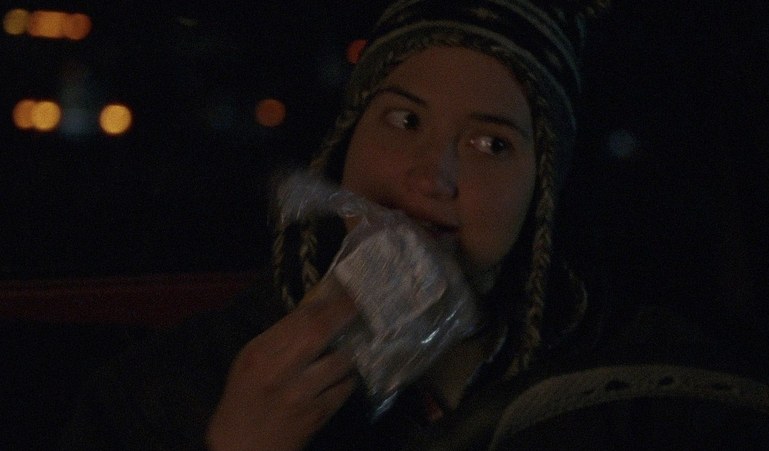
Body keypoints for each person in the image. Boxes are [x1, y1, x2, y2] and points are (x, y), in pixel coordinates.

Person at [61, 0, 609, 449]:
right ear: (347, 139)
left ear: (542, 188)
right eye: (405, 119)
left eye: (491, 144)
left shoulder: (621, 390)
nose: (432, 177)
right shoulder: (164, 388)